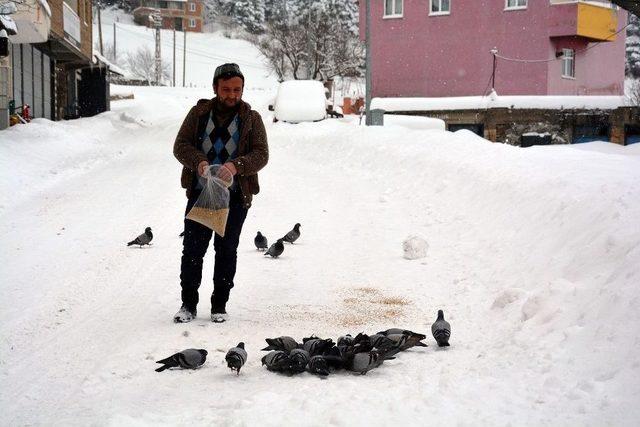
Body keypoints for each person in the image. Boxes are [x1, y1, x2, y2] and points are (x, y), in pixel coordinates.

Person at [173, 63, 269, 323]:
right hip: (201, 194)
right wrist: (200, 163)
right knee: (193, 250)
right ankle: (188, 305)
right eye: (226, 89)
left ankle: (219, 306)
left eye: (237, 89)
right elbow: (180, 146)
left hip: (236, 197)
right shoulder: (199, 114)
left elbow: (261, 154)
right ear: (215, 88)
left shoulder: (252, 118)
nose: (232, 95)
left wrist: (235, 167)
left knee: (226, 250)